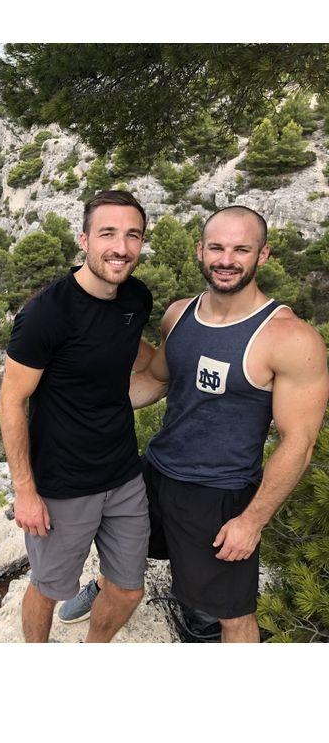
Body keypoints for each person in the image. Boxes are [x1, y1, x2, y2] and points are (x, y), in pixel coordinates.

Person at [60, 205, 329, 642]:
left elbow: (299, 443)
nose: (227, 259)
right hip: (156, 471)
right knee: (120, 550)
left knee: (232, 614)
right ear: (200, 250)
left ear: (262, 256)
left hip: (219, 492)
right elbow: (154, 379)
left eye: (242, 249)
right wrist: (74, 409)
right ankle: (109, 585)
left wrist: (252, 521)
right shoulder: (179, 315)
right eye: (217, 247)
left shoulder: (290, 339)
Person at [0, 190, 153, 642]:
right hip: (62, 485)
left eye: (132, 235)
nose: (120, 247)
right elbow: (11, 401)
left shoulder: (136, 298)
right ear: (84, 240)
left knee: (127, 590)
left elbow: (126, 357)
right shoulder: (46, 315)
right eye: (107, 233)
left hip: (124, 475)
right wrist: (25, 492)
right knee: (48, 589)